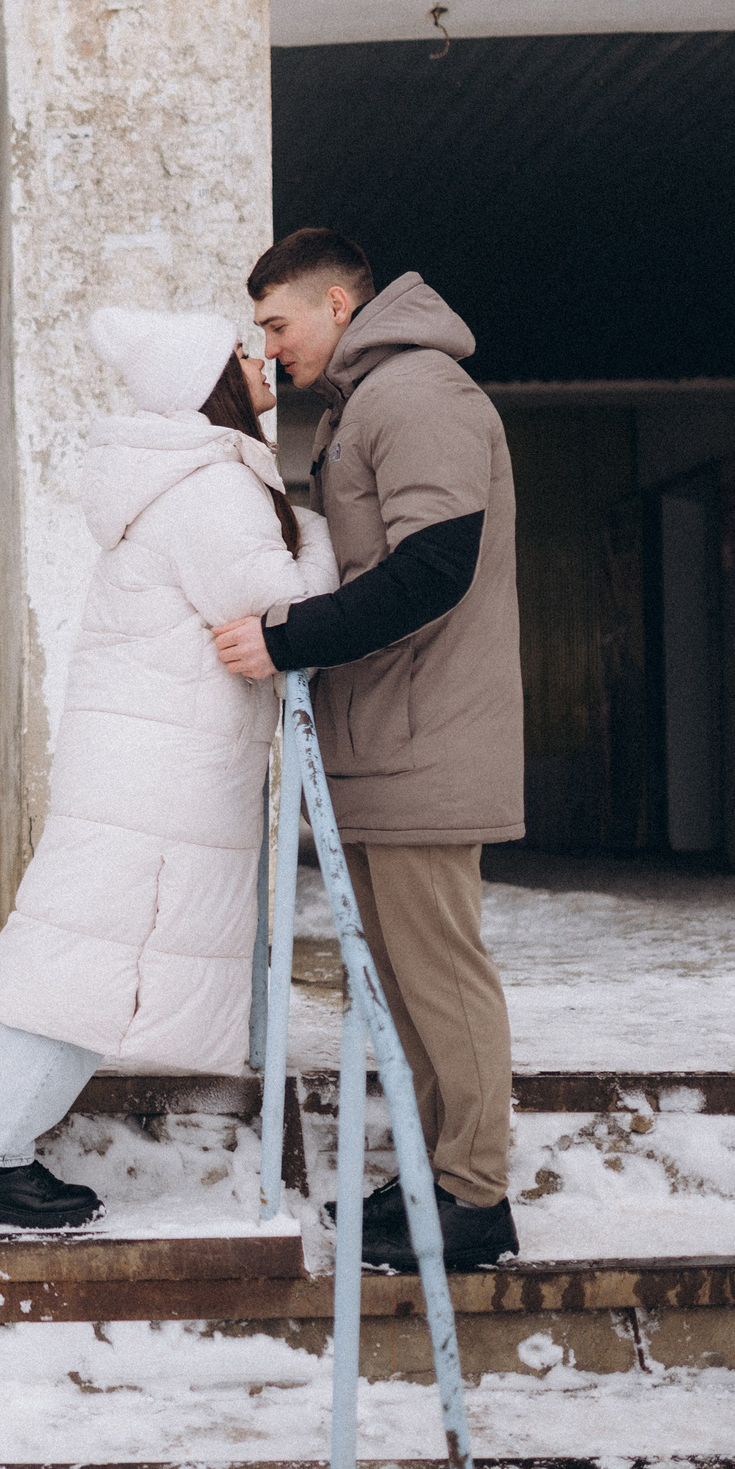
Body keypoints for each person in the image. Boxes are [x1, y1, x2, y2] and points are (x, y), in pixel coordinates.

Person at [0, 307, 338, 1228]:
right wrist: (315, 535)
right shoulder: (212, 490)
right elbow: (281, 607)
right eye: (244, 349)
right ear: (212, 384)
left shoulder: (183, 479)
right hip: (165, 773)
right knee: (92, 972)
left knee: (70, 951)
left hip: (141, 764)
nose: (264, 354)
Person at [208, 228, 523, 1271]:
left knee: (440, 972)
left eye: (276, 322)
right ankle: (441, 1181)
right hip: (388, 737)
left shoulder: (416, 394)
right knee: (399, 976)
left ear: (338, 305)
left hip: (429, 736)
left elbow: (436, 565)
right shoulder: (359, 407)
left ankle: (474, 1196)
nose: (269, 342)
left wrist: (289, 640)